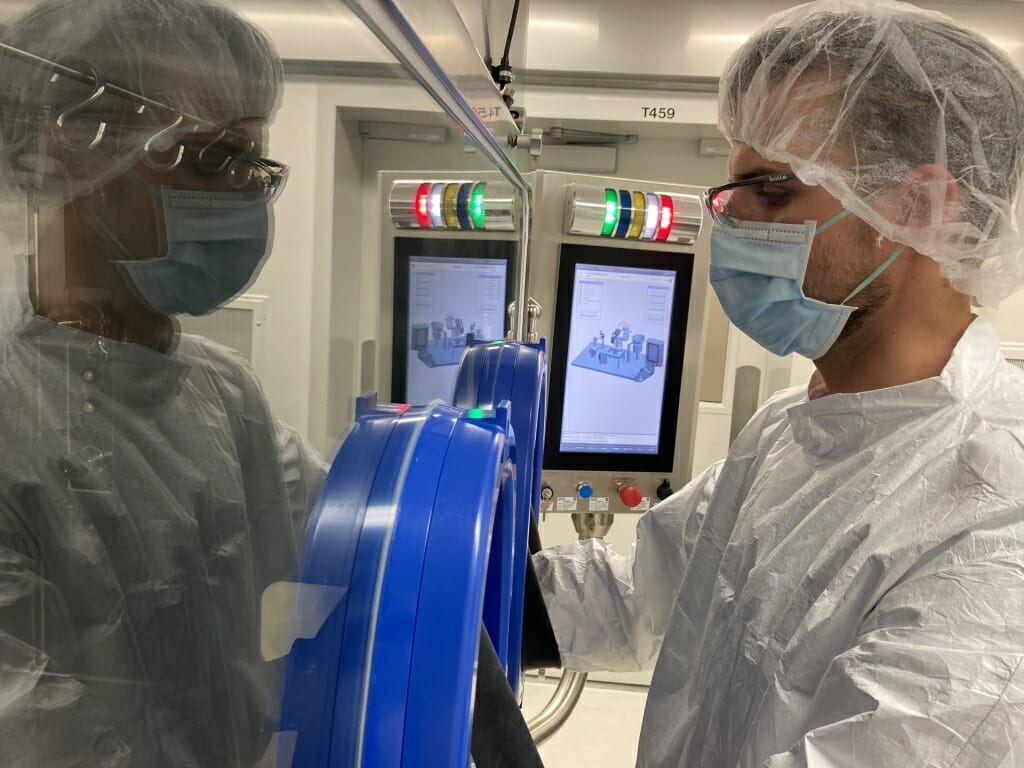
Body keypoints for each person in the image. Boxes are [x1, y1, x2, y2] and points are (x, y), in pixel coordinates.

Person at [535, 1, 1024, 766]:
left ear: (920, 207)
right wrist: (434, 574)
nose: (730, 225)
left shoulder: (994, 512)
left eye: (771, 193)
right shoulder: (797, 426)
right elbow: (652, 589)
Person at [0, 1, 326, 765]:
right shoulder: (11, 414)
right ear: (71, 151)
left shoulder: (222, 394)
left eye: (257, 166)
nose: (247, 196)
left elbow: (349, 527)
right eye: (214, 159)